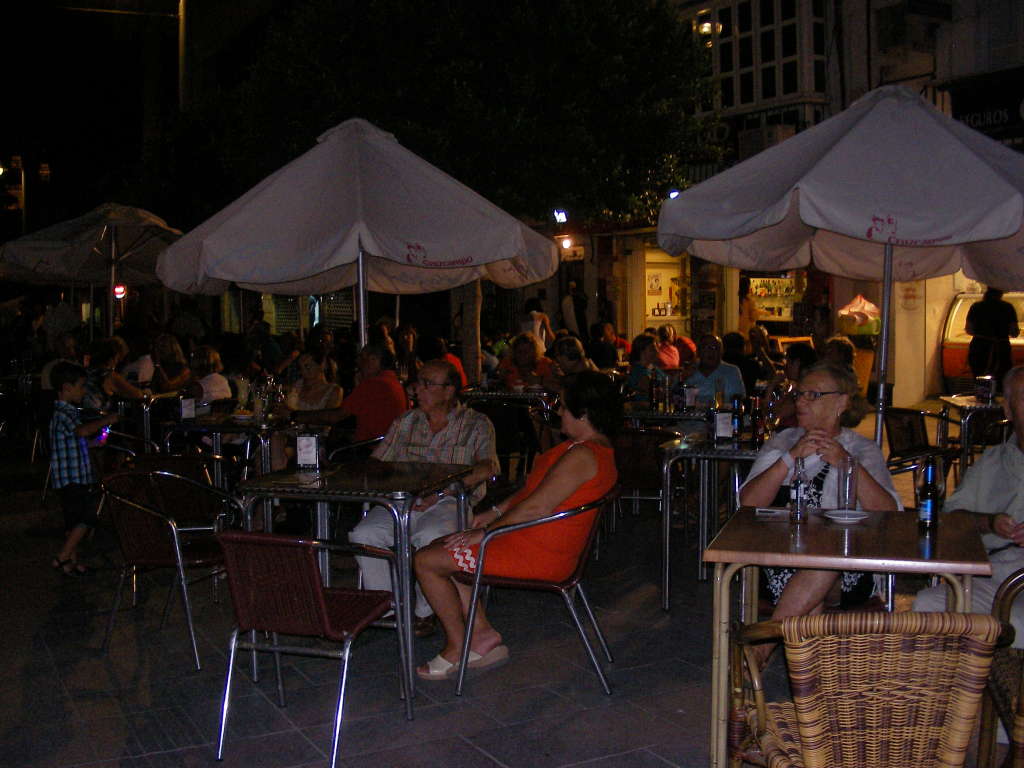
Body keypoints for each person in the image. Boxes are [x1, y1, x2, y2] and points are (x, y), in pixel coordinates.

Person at [413, 370, 620, 679]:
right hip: (535, 541)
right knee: (443, 546)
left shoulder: (583, 456)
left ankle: (457, 646)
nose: (559, 412)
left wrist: (485, 533)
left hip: (540, 555)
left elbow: (537, 506)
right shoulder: (589, 449)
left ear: (584, 413)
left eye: (564, 406)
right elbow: (535, 491)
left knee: (426, 561)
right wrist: (495, 511)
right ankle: (481, 635)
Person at [739, 362, 900, 661]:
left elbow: (889, 512)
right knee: (814, 587)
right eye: (799, 394)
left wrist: (847, 464)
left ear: (841, 402)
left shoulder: (861, 449)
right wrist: (790, 458)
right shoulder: (782, 442)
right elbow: (747, 503)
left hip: (847, 563)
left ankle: (762, 650)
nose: (800, 402)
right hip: (783, 558)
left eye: (813, 395)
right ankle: (809, 677)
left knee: (824, 562)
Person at [348, 359, 498, 637]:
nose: (417, 389)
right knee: (363, 534)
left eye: (427, 384)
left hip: (450, 500)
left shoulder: (476, 424)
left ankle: (424, 611)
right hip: (403, 500)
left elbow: (486, 468)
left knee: (432, 536)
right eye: (418, 383)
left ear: (449, 390)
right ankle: (389, 606)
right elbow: (377, 462)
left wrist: (441, 491)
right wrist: (383, 478)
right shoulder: (406, 421)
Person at [914, 365, 1024, 647]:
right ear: (1009, 410)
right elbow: (951, 520)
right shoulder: (993, 461)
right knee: (928, 606)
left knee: (1015, 620)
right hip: (993, 575)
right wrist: (989, 522)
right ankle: (950, 676)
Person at [49, 362, 120, 576]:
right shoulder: (63, 413)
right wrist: (106, 420)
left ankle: (70, 561)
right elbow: (81, 431)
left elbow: (76, 439)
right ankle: (62, 557)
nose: (83, 392)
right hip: (72, 478)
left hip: (73, 477)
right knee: (87, 517)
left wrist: (96, 441)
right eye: (81, 386)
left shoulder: (68, 413)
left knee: (73, 521)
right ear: (66, 388)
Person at [272, 351, 344, 470]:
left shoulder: (334, 391)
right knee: (271, 441)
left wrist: (293, 415)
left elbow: (327, 420)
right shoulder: (297, 386)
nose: (303, 372)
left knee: (279, 448)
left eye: (307, 366)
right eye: (301, 368)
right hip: (291, 434)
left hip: (315, 437)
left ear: (322, 365)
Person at [966, 287, 1020, 382]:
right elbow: (1014, 332)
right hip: (1001, 349)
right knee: (1001, 379)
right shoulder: (1007, 307)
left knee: (980, 378)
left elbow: (969, 330)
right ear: (1000, 293)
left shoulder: (976, 306)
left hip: (979, 347)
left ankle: (982, 391)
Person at [682, 334, 746, 405]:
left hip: (723, 411)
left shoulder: (732, 371)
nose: (710, 351)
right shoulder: (689, 371)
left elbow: (740, 399)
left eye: (715, 348)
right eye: (705, 347)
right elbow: (676, 397)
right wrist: (682, 378)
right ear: (698, 351)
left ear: (721, 352)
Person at [83, 338, 145, 410]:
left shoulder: (86, 371)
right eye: (118, 359)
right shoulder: (109, 376)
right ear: (112, 358)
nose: (118, 363)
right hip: (99, 414)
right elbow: (137, 394)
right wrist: (145, 393)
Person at [722, 331, 770, 395]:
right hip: (746, 400)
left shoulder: (716, 364)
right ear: (743, 347)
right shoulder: (752, 365)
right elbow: (764, 385)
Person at [624, 333, 667, 404]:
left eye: (657, 347)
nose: (657, 351)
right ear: (642, 351)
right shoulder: (638, 371)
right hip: (645, 408)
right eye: (652, 348)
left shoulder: (652, 367)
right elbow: (655, 393)